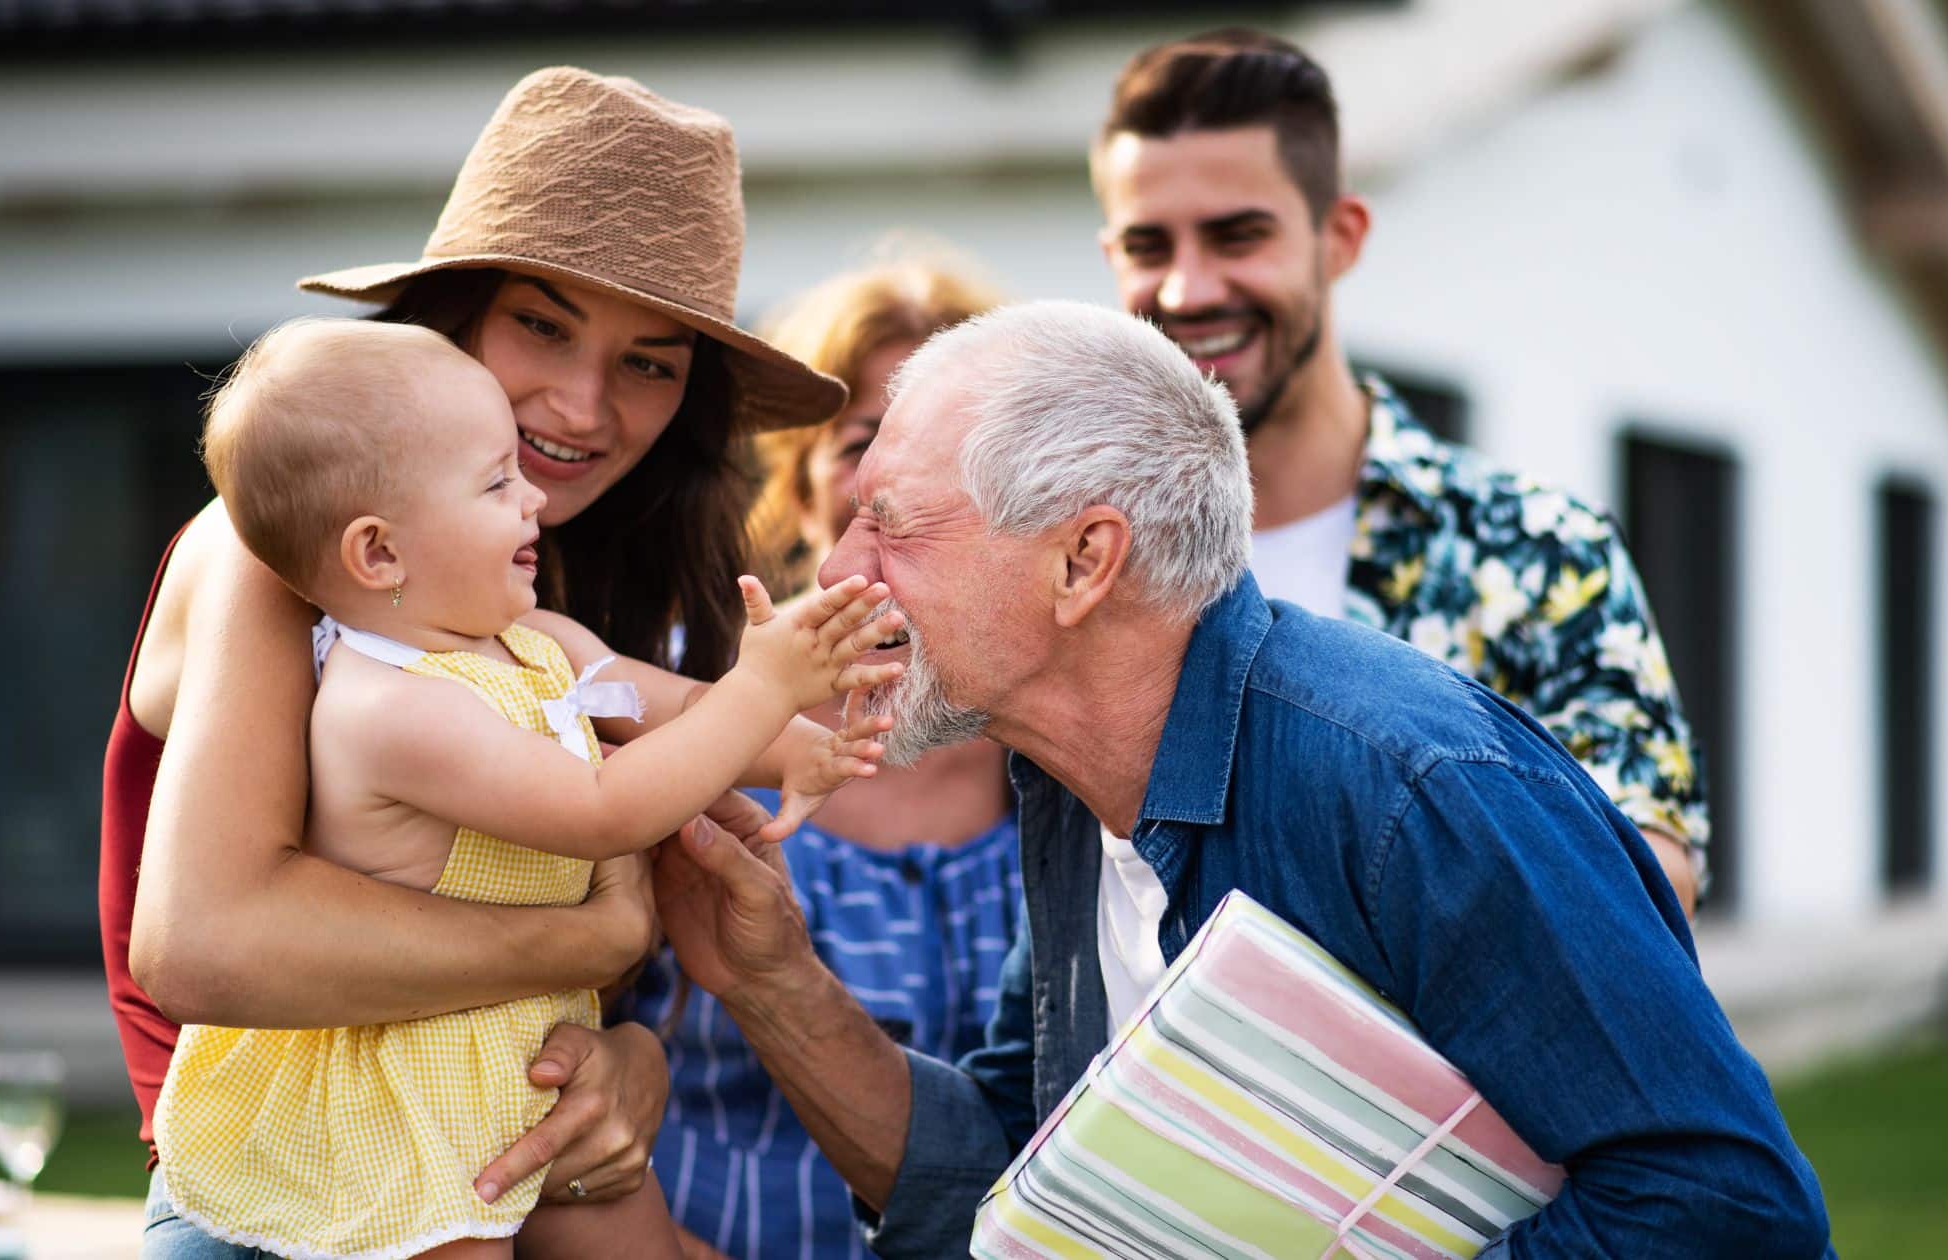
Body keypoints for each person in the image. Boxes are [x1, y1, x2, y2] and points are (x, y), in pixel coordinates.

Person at [652, 301, 1834, 1258]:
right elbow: (1017, 1165)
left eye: (890, 528)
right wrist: (770, 983)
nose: (837, 572)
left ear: (1082, 561)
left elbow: (1726, 1208)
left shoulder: (1405, 790)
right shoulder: (1065, 784)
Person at [99, 68, 847, 1255]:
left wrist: (631, 1056)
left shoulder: (554, 578)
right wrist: (586, 942)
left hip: (498, 1154)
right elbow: (205, 945)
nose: (580, 406)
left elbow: (624, 954)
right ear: (450, 318)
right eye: (540, 325)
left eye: (649, 363)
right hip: (289, 1203)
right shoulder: (280, 556)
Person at [146, 318, 899, 1259]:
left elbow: (663, 705)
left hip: (527, 1050)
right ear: (377, 555)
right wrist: (762, 687)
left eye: (647, 362)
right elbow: (599, 811)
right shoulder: (386, 706)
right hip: (408, 1080)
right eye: (498, 482)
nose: (534, 495)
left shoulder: (530, 636)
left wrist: (790, 742)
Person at [1091, 30, 1706, 911]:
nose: (1188, 290)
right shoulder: (1077, 562)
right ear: (1114, 257)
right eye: (1151, 247)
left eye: (1237, 236)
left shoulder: (1538, 553)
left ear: (1340, 238)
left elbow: (1647, 887)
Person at [620, 258, 1020, 1260]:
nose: (899, 481)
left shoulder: (1056, 759)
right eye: (860, 445)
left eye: (952, 448)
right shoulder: (678, 715)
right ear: (801, 489)